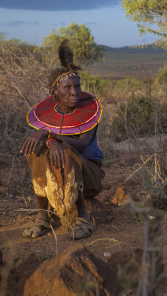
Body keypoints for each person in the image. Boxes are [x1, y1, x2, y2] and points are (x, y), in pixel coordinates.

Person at [20, 40, 105, 240]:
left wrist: (50, 136)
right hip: (56, 176)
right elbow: (46, 143)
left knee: (67, 153)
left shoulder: (89, 112)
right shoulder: (47, 116)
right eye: (67, 87)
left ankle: (84, 217)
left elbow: (83, 144)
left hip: (89, 176)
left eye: (77, 86)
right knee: (36, 152)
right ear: (54, 93)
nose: (74, 92)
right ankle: (43, 217)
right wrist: (50, 141)